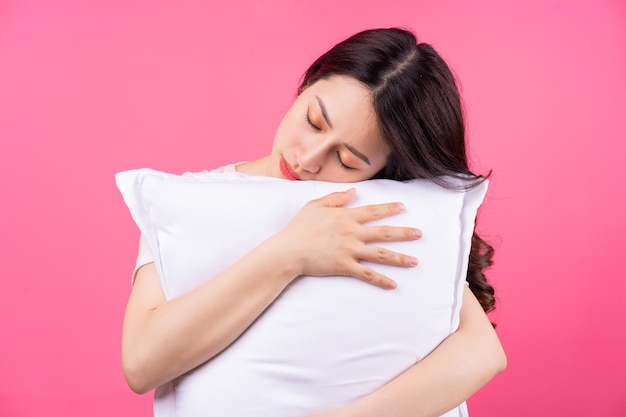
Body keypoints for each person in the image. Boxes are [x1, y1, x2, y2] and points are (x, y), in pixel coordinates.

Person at [122, 27, 506, 417]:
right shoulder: (195, 200)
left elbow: (481, 351)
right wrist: (290, 253)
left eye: (348, 160)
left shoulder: (376, 213)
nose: (307, 158)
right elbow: (141, 364)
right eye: (314, 120)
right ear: (306, 85)